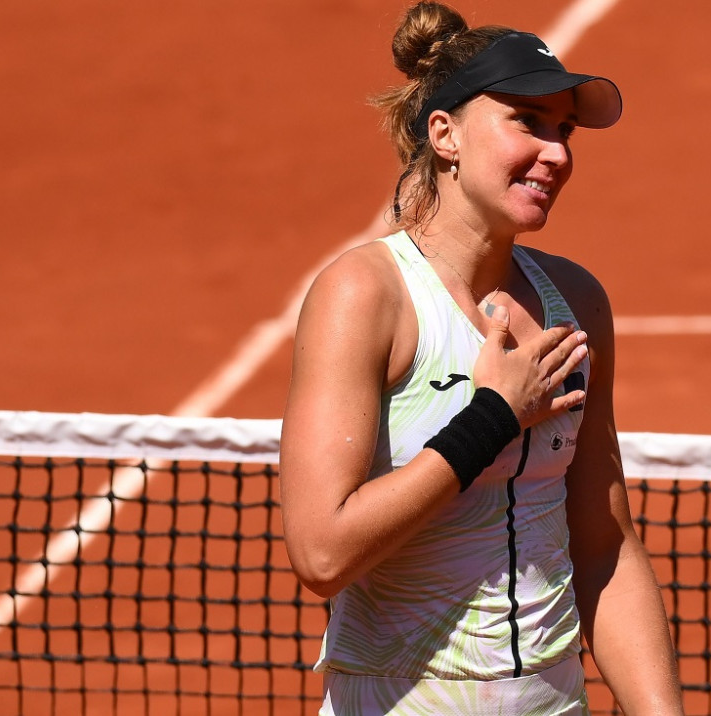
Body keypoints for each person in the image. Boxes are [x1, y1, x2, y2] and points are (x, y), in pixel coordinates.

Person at [278, 3, 683, 713]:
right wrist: (493, 417)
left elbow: (604, 544)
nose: (557, 152)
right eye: (528, 122)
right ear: (445, 134)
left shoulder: (575, 302)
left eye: (564, 130)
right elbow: (322, 553)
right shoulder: (367, 295)